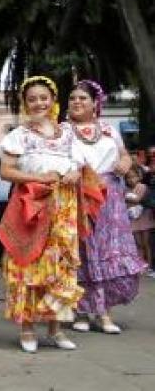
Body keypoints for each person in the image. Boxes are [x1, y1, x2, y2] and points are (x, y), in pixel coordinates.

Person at [0, 75, 91, 353]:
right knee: (29, 263)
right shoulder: (19, 135)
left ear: (52, 100)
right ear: (26, 104)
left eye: (43, 98)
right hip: (33, 205)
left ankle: (56, 329)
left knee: (61, 265)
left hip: (65, 205)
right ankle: (27, 328)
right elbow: (6, 171)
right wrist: (37, 177)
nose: (38, 103)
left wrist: (74, 172)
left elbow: (80, 165)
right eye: (32, 99)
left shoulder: (68, 133)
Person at [67, 80, 147, 334]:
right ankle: (81, 310)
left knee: (108, 252)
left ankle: (104, 313)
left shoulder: (109, 129)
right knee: (81, 252)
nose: (77, 102)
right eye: (72, 98)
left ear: (95, 103)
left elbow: (123, 154)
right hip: (78, 196)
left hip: (110, 199)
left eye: (83, 98)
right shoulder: (62, 131)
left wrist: (125, 162)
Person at [126, 165, 154, 274]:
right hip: (134, 220)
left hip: (144, 218)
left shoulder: (142, 186)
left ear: (139, 176)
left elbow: (137, 199)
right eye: (128, 177)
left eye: (133, 177)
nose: (131, 179)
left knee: (146, 243)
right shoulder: (127, 189)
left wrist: (124, 197)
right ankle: (141, 265)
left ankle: (150, 265)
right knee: (138, 244)